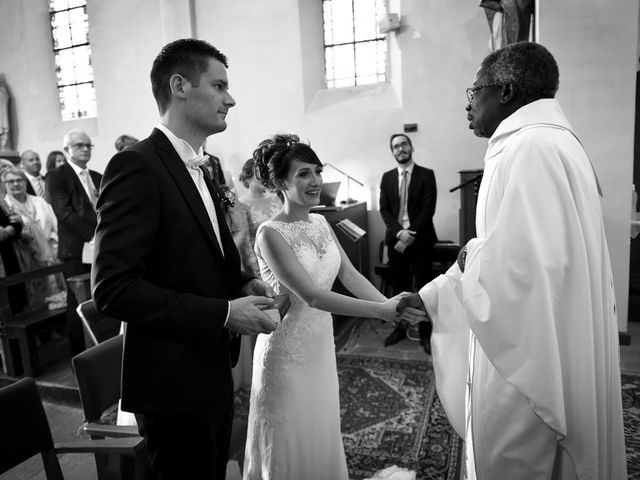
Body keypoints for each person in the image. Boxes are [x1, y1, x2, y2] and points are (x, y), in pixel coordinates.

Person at [397, 41, 627, 479]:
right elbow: (515, 252)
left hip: (529, 353)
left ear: (504, 91)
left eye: (474, 92)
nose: (468, 106)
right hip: (542, 331)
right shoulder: (545, 143)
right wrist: (433, 295)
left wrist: (468, 253)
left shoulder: (530, 149)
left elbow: (526, 269)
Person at [92, 39, 278, 480]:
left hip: (209, 369)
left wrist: (240, 285)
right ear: (179, 85)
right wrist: (224, 313)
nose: (230, 99)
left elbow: (197, 255)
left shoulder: (203, 167)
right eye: (218, 86)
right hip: (171, 383)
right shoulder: (136, 165)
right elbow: (113, 289)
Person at [243, 134, 424, 480]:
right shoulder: (270, 234)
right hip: (286, 353)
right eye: (303, 174)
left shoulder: (322, 222)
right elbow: (312, 296)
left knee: (319, 420)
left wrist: (390, 304)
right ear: (280, 182)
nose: (314, 181)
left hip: (319, 345)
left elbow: (351, 275)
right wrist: (381, 313)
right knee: (291, 429)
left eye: (316, 171)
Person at [379, 133, 437, 352]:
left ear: (411, 147)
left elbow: (428, 209)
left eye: (403, 144)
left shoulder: (426, 174)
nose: (400, 148)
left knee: (423, 289)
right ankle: (400, 329)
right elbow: (384, 209)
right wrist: (400, 234)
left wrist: (410, 234)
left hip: (421, 240)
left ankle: (425, 334)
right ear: (392, 151)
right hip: (396, 241)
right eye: (395, 146)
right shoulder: (387, 177)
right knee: (399, 287)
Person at [45, 129, 101, 355]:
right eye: (80, 145)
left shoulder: (97, 176)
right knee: (77, 302)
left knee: (100, 296)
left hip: (100, 246)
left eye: (88, 145)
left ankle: (101, 344)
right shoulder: (57, 176)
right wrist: (94, 235)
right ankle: (80, 353)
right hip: (76, 250)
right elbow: (65, 213)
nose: (85, 149)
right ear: (67, 149)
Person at [3, 168, 63, 309]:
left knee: (56, 293)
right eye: (11, 181)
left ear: (25, 182)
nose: (16, 184)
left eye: (19, 180)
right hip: (25, 256)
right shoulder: (6, 206)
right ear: (4, 184)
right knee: (35, 298)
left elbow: (55, 225)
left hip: (50, 253)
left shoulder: (39, 201)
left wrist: (52, 242)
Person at [238, 157, 282, 248]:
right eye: (259, 174)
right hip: (258, 253)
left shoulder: (276, 199)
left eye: (266, 173)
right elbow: (244, 239)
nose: (264, 177)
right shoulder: (241, 204)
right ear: (248, 177)